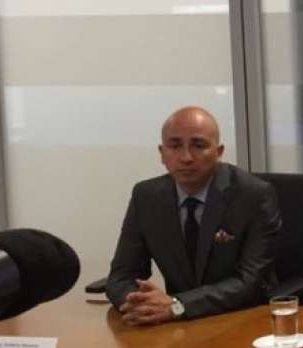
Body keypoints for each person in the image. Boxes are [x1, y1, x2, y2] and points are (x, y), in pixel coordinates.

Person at [106, 106, 280, 325]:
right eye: (175, 146)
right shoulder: (146, 197)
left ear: (218, 152)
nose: (186, 157)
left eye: (198, 146)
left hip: (240, 320)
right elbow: (121, 276)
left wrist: (178, 306)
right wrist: (138, 303)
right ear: (162, 153)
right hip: (176, 327)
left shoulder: (253, 195)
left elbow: (252, 282)